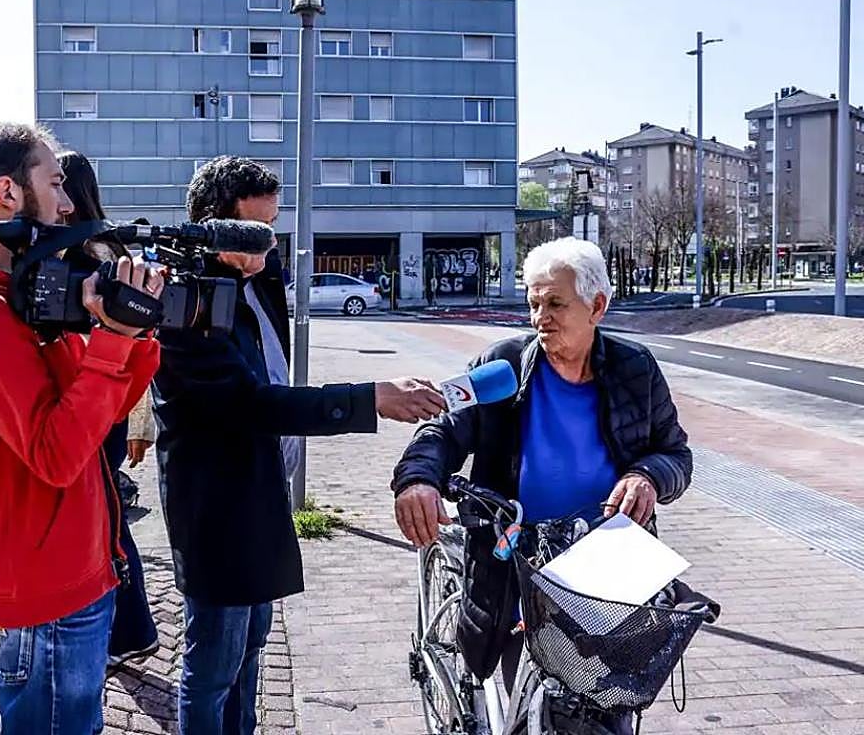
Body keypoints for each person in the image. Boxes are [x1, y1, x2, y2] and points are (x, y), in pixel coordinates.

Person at [152, 155, 447, 735]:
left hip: (263, 490)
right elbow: (251, 402)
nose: (266, 251)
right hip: (216, 505)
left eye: (272, 230)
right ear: (214, 226)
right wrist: (369, 399)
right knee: (213, 663)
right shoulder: (183, 303)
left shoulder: (253, 274)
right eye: (253, 234)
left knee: (252, 647)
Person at [0, 123, 164, 735]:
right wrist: (112, 344)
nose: (70, 203)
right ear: (8, 194)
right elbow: (55, 455)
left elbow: (99, 410)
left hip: (73, 566)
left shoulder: (19, 298)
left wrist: (137, 334)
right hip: (47, 585)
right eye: (55, 183)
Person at [392, 236, 692, 694]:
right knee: (521, 701)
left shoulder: (636, 369)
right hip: (515, 559)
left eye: (555, 304)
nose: (540, 319)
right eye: (534, 304)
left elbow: (675, 454)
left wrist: (647, 476)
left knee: (610, 703)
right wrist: (417, 478)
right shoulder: (500, 364)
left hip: (606, 564)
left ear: (597, 307)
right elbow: (444, 429)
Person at [59, 148, 161, 669]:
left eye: (57, 184)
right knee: (108, 517)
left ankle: (131, 628)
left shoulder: (82, 255)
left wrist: (138, 424)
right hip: (111, 409)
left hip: (94, 404)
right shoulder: (110, 248)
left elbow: (129, 344)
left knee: (108, 523)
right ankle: (129, 630)